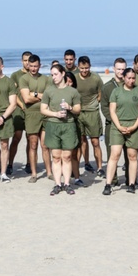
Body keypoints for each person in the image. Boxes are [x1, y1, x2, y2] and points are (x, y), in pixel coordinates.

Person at [39, 65, 81, 194]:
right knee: (56, 156)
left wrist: (69, 107)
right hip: (53, 125)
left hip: (68, 125)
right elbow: (43, 109)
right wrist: (56, 114)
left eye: (56, 74)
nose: (54, 77)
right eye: (52, 75)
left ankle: (67, 183)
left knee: (67, 156)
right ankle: (57, 184)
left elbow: (78, 110)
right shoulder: (48, 91)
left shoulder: (72, 92)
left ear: (63, 74)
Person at [104, 68, 138, 194]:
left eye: (133, 78)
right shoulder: (116, 91)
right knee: (115, 154)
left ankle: (132, 183)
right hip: (118, 126)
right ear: (124, 77)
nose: (131, 80)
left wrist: (133, 127)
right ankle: (108, 184)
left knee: (132, 155)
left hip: (134, 126)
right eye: (129, 78)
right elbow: (112, 111)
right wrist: (119, 126)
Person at [18, 54, 53, 183]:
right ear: (28, 65)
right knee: (33, 144)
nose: (33, 68)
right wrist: (40, 96)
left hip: (44, 113)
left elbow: (49, 97)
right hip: (31, 114)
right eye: (31, 66)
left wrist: (36, 94)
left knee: (45, 145)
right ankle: (34, 173)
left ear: (40, 65)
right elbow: (26, 99)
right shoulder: (24, 79)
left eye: (35, 66)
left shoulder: (46, 79)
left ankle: (49, 172)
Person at [75, 56, 103, 177]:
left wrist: (93, 105)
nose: (84, 70)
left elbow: (100, 95)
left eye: (86, 68)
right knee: (81, 141)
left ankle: (100, 167)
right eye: (82, 68)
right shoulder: (74, 78)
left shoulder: (96, 78)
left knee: (95, 141)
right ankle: (83, 164)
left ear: (90, 66)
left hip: (92, 112)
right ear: (78, 67)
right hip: (79, 113)